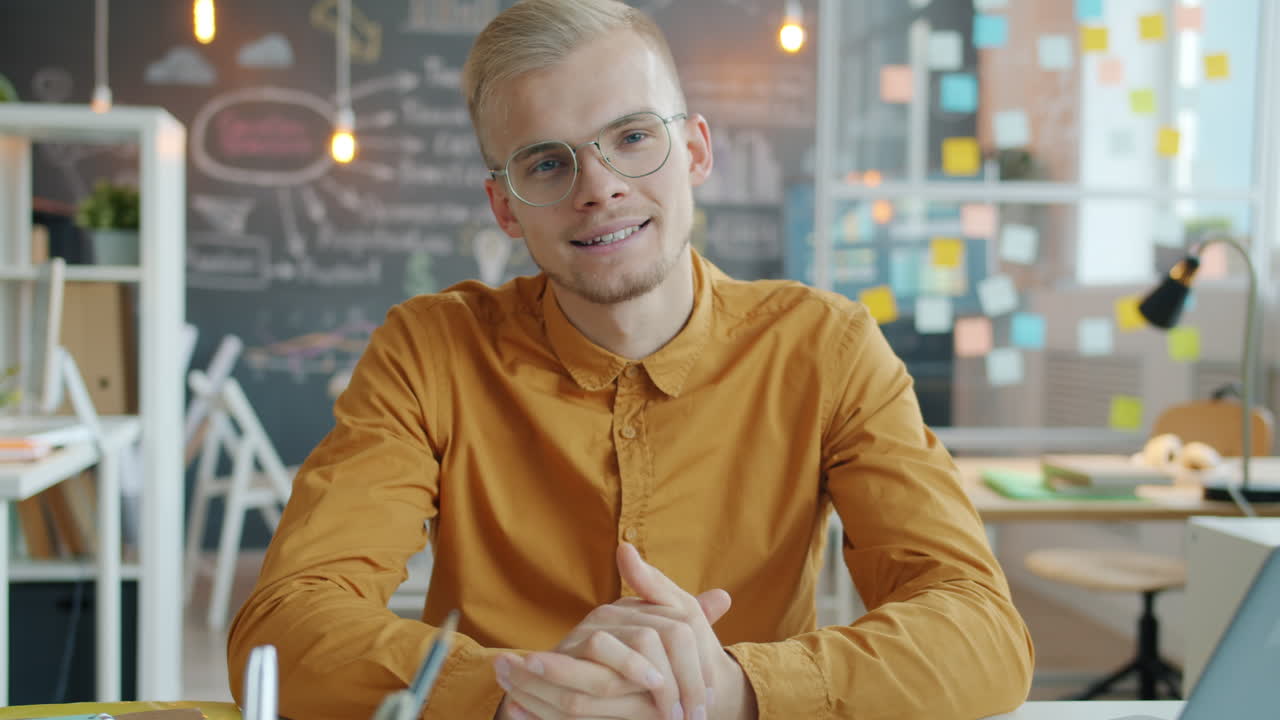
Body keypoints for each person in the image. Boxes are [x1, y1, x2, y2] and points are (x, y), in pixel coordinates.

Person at [226, 1, 1035, 718]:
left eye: (633, 137)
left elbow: (981, 633)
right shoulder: (429, 349)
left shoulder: (828, 347)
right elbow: (283, 625)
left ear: (696, 152)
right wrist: (519, 693)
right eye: (547, 161)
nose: (599, 187)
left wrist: (733, 690)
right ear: (504, 206)